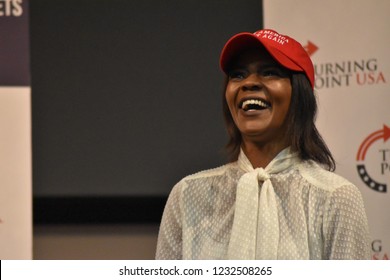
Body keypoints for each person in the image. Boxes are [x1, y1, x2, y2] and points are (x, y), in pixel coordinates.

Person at [155, 29, 371, 260]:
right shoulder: (187, 195)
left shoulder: (335, 197)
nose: (249, 83)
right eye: (238, 75)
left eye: (269, 73)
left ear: (300, 94)